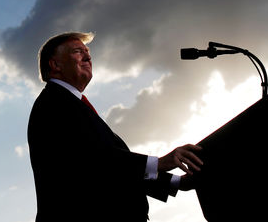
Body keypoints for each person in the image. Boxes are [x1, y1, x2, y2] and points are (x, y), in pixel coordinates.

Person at [27, 31, 203, 221]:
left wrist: (178, 182)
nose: (87, 56)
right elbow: (94, 159)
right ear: (55, 65)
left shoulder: (71, 103)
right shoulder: (52, 103)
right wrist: (159, 163)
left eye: (88, 53)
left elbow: (113, 171)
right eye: (77, 52)